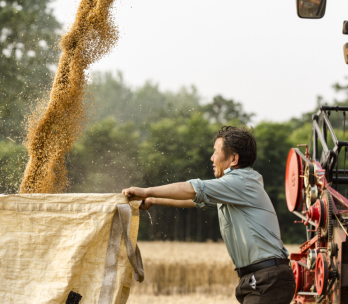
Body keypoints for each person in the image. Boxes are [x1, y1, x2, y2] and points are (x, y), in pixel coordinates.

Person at [122, 125, 295, 304]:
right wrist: (152, 200)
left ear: (234, 158)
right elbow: (194, 200)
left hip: (266, 279)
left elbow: (193, 189)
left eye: (216, 152)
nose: (212, 158)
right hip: (258, 279)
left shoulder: (241, 182)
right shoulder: (235, 187)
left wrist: (145, 190)